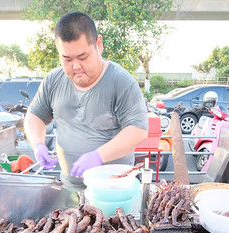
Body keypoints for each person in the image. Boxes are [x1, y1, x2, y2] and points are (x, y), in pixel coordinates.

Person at [24, 12, 148, 191]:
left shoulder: (121, 82)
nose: (75, 66)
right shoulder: (53, 80)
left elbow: (138, 131)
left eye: (82, 57)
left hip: (113, 188)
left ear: (99, 44)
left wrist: (98, 156)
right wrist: (38, 144)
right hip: (69, 187)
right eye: (67, 59)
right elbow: (35, 115)